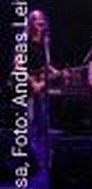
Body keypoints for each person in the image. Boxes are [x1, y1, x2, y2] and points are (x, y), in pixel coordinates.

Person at [25, 9, 62, 172]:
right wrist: (33, 82)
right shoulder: (24, 41)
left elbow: (46, 65)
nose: (40, 21)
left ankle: (40, 157)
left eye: (42, 19)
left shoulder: (45, 42)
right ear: (31, 23)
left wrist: (57, 72)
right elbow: (18, 65)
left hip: (41, 86)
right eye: (36, 19)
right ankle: (28, 156)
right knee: (30, 120)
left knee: (43, 121)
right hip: (28, 85)